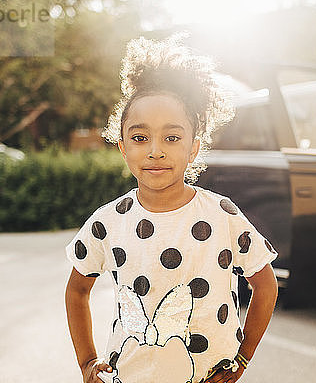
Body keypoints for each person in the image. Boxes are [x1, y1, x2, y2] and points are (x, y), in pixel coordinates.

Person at [64, 34, 279, 383]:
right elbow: (76, 290)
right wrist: (87, 361)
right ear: (122, 148)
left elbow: (265, 285)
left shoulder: (222, 215)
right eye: (139, 138)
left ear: (194, 149)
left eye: (172, 137)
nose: (155, 151)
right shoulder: (106, 222)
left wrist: (242, 359)